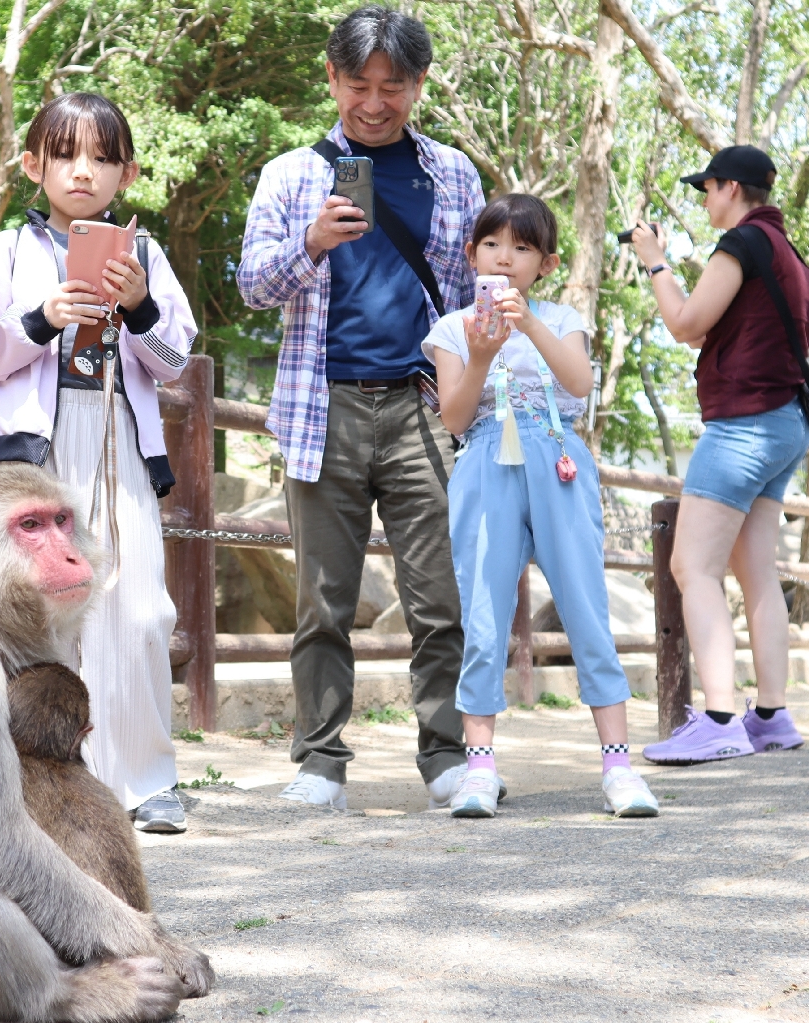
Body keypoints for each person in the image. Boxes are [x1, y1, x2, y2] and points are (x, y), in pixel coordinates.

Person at [238, 5, 484, 811]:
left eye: (393, 86)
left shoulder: (453, 173)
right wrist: (311, 243)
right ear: (331, 78)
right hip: (324, 405)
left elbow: (469, 294)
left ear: (418, 84)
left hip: (422, 407)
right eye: (358, 84)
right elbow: (250, 289)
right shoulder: (289, 175)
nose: (374, 103)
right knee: (322, 600)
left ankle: (448, 755)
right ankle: (319, 762)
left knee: (440, 595)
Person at [0, 93, 198, 832]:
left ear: (126, 171)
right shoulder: (8, 252)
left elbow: (175, 358)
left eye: (101, 157)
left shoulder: (144, 254)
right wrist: (41, 319)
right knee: (36, 610)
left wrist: (142, 307)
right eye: (64, 155)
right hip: (38, 448)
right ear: (34, 165)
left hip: (119, 437)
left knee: (139, 607)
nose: (82, 171)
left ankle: (148, 779)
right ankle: (34, 779)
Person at [424, 194, 660, 818]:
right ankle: (479, 770)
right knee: (482, 617)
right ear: (472, 253)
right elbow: (453, 416)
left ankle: (618, 766)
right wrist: (479, 353)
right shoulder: (452, 327)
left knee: (585, 608)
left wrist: (528, 324)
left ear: (546, 263)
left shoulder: (563, 317)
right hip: (484, 464)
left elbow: (579, 384)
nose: (506, 257)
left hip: (558, 461)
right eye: (494, 244)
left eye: (523, 247)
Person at [633, 145, 808, 764]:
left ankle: (717, 720)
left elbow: (683, 325)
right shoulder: (786, 250)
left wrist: (654, 262)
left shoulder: (739, 244)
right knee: (755, 570)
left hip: (741, 424)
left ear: (730, 187)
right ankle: (770, 715)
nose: (705, 200)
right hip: (787, 421)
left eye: (707, 189)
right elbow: (710, 325)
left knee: (692, 568)